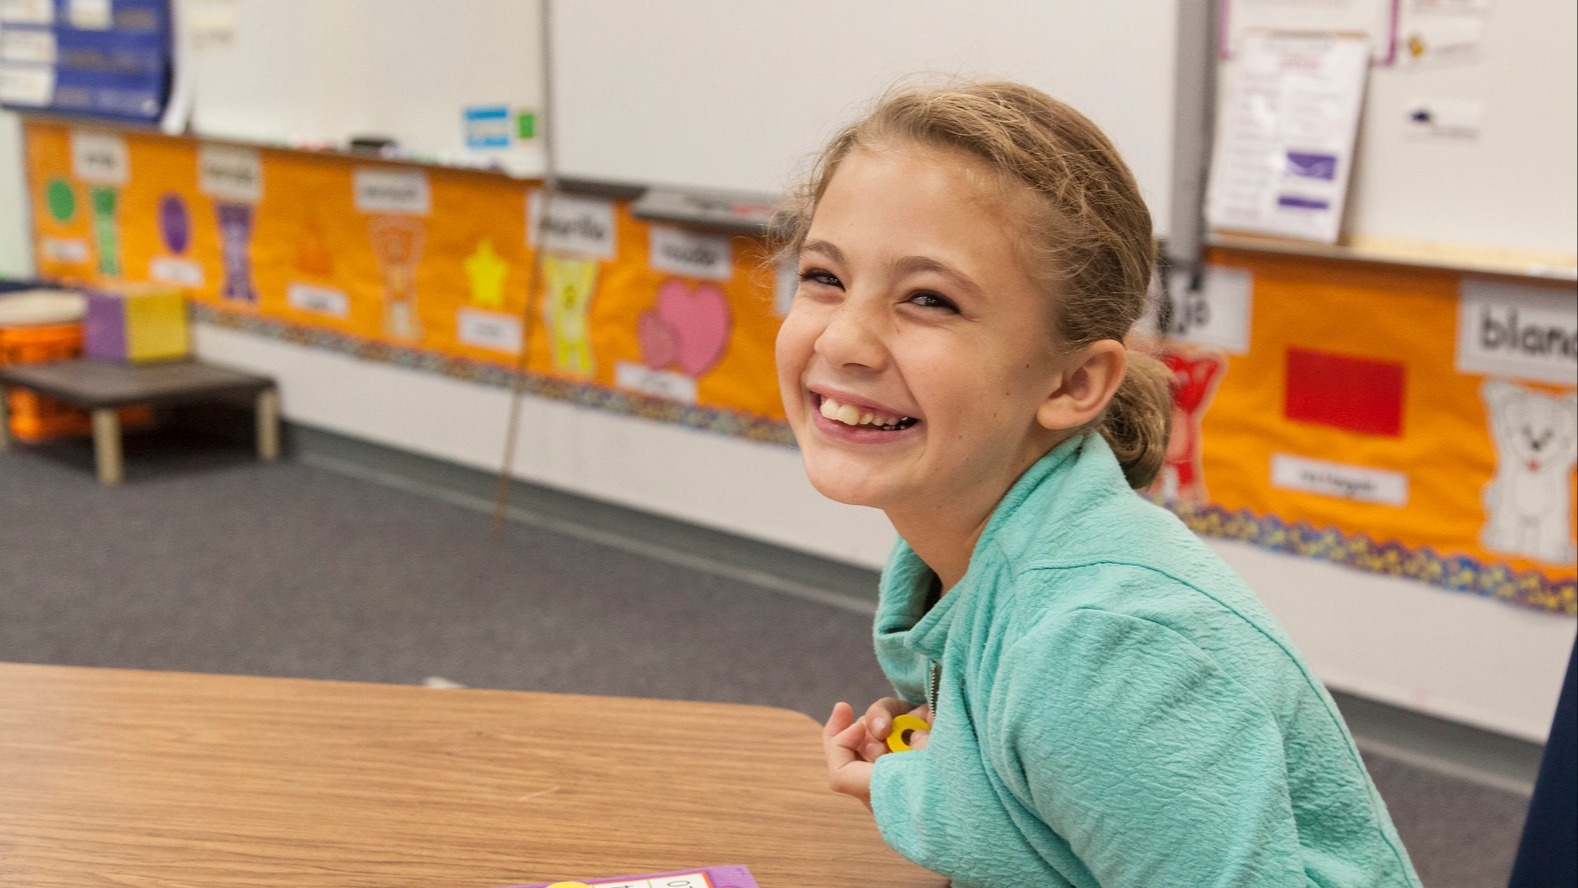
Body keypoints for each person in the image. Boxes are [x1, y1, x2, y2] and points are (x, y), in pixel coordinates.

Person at [772, 80, 1423, 887]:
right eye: (824, 277)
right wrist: (930, 776)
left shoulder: (1098, 643)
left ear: (1075, 383)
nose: (844, 339)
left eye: (929, 299)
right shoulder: (984, 552)